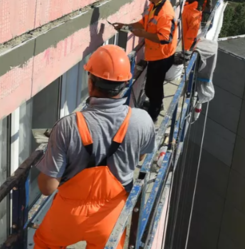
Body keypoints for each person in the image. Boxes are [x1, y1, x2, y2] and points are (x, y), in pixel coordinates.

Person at [33, 45, 156, 249]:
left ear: (90, 84)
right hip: (112, 215)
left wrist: (44, 161)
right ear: (126, 84)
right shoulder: (142, 120)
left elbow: (47, 188)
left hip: (68, 217)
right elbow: (141, 158)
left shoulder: (67, 126)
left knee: (45, 244)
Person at [113, 0, 177, 121]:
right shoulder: (154, 6)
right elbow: (144, 22)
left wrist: (142, 34)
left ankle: (153, 116)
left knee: (152, 88)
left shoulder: (165, 13)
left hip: (162, 56)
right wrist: (127, 26)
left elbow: (165, 38)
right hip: (156, 55)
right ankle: (156, 104)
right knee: (155, 86)